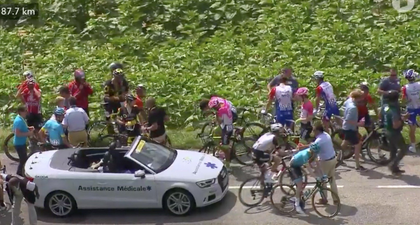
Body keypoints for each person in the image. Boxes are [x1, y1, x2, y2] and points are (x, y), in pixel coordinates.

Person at [199, 96, 234, 170]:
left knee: (224, 146)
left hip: (228, 120)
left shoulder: (213, 105)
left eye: (205, 109)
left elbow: (220, 118)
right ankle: (223, 149)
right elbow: (219, 114)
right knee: (217, 133)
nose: (206, 111)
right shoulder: (213, 100)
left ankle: (228, 165)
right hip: (230, 112)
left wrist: (217, 121)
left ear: (206, 106)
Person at [289, 142, 323, 214]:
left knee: (302, 183)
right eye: (315, 153)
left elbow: (318, 165)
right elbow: (310, 170)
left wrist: (323, 174)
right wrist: (316, 177)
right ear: (311, 151)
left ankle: (297, 196)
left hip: (298, 165)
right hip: (293, 166)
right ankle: (297, 205)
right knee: (299, 184)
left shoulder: (313, 153)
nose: (316, 154)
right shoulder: (305, 155)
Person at [311, 122, 339, 205]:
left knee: (322, 181)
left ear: (317, 131)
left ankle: (324, 199)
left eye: (313, 130)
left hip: (325, 161)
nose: (313, 132)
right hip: (333, 158)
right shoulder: (326, 135)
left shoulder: (319, 140)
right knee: (332, 179)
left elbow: (312, 150)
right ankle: (336, 199)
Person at [383, 90, 410, 174]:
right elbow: (395, 125)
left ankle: (394, 169)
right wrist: (403, 118)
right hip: (394, 132)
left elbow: (381, 115)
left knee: (393, 150)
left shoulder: (386, 107)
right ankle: (393, 165)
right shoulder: (394, 110)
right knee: (404, 148)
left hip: (387, 130)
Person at [342, 89, 365, 171]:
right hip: (350, 128)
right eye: (361, 97)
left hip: (346, 127)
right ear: (358, 98)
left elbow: (344, 105)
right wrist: (359, 124)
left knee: (345, 143)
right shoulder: (353, 108)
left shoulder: (349, 101)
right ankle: (357, 165)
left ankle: (338, 158)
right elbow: (348, 119)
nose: (362, 98)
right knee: (358, 145)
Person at [103, 68, 129, 133]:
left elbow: (127, 91)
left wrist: (124, 95)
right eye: (118, 77)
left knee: (120, 115)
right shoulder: (108, 84)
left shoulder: (124, 82)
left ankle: (120, 130)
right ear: (114, 76)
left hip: (119, 102)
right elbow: (106, 96)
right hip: (109, 102)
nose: (120, 79)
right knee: (109, 117)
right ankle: (110, 130)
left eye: (121, 77)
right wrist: (116, 98)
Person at [401, 69, 420, 153]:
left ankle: (413, 147)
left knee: (412, 129)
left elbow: (404, 100)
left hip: (411, 108)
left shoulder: (405, 87)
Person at [12, 106, 34, 176]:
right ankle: (19, 172)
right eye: (25, 111)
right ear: (21, 112)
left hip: (21, 143)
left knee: (23, 158)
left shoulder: (21, 119)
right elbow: (17, 133)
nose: (26, 112)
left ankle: (21, 171)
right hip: (19, 143)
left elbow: (22, 128)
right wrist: (28, 133)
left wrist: (28, 128)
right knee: (23, 159)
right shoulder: (19, 121)